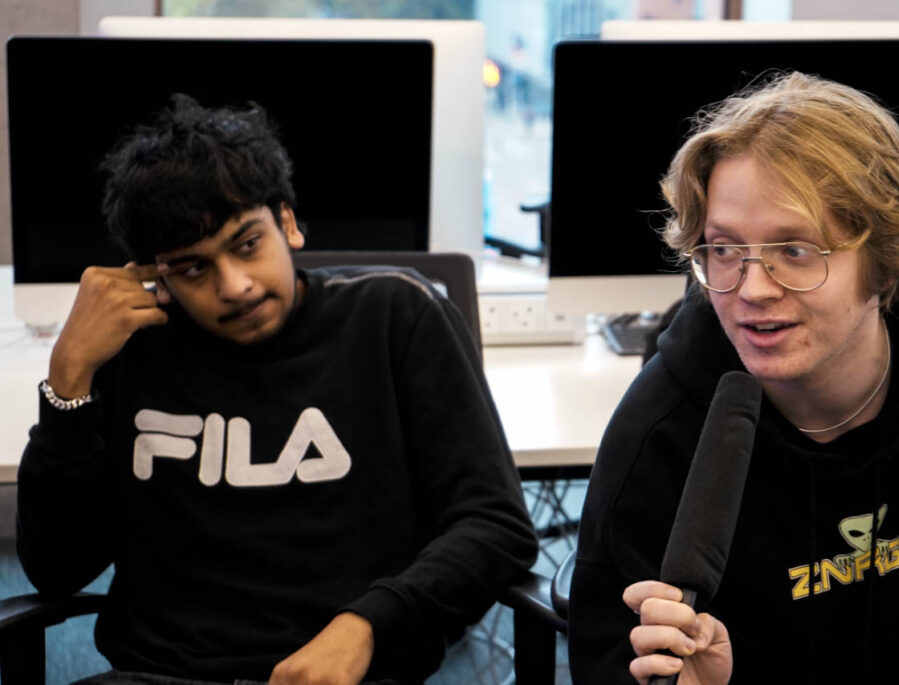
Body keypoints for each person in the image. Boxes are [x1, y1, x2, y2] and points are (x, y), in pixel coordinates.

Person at [16, 94, 538, 685]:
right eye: (193, 268)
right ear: (154, 275)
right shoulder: (132, 350)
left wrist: (365, 626)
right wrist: (68, 379)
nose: (234, 286)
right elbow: (57, 569)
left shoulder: (394, 316)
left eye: (246, 244)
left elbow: (495, 526)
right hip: (159, 675)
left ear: (287, 223)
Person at [568, 71, 899, 684]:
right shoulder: (664, 432)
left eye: (796, 251)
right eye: (725, 250)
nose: (752, 289)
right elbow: (611, 659)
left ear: (883, 259)